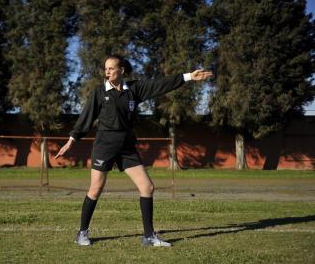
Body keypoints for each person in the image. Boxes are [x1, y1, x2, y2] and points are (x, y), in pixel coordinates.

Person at [55, 55, 213, 247]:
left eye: (111, 68)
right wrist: (72, 139)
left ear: (122, 70)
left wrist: (188, 77)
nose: (107, 72)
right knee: (95, 189)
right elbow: (86, 117)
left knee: (147, 187)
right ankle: (82, 233)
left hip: (127, 147)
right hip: (104, 146)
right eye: (105, 69)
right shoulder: (99, 92)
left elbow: (159, 85)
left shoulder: (134, 89)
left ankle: (148, 236)